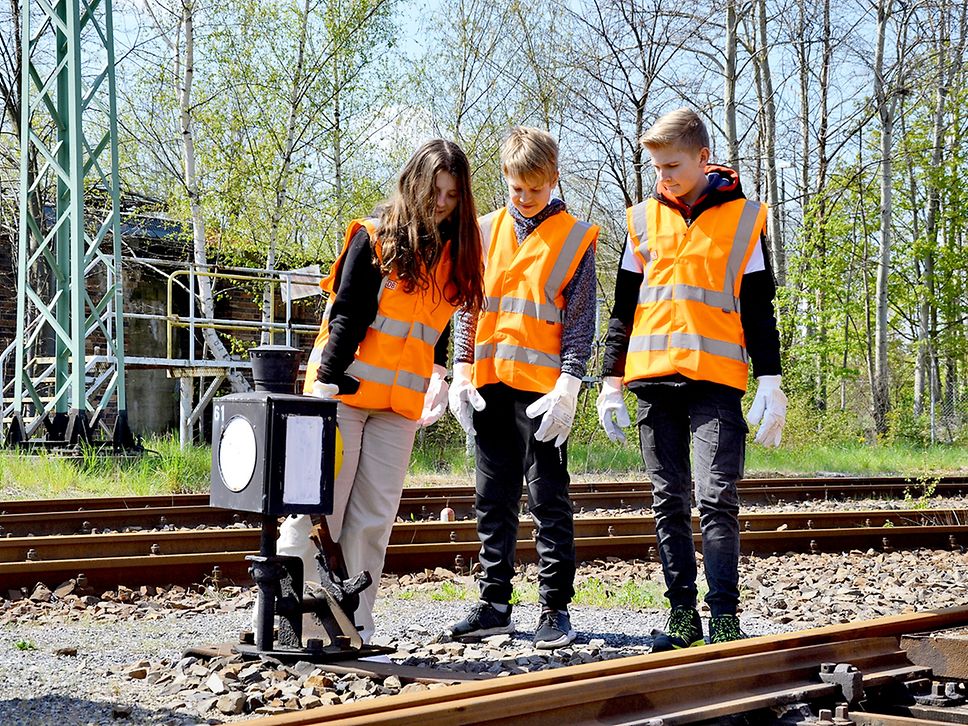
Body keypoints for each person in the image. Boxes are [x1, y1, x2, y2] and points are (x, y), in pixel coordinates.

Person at [276, 139, 485, 643]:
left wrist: (438, 373)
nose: (441, 204)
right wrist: (324, 383)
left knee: (372, 519)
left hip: (397, 406)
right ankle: (294, 624)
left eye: (453, 196)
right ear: (413, 184)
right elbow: (347, 315)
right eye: (434, 192)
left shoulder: (453, 254)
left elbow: (430, 325)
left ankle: (354, 629)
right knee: (316, 514)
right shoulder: (374, 239)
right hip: (342, 395)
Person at [596, 108, 787, 652]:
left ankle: (724, 615)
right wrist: (612, 379)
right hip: (653, 384)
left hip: (716, 384)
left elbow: (757, 310)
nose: (664, 177)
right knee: (667, 500)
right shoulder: (640, 221)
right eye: (656, 167)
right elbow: (623, 309)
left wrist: (771, 380)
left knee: (718, 497)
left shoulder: (745, 220)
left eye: (673, 166)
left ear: (704, 158)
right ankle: (682, 614)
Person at [444, 126, 598, 650]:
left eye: (535, 188)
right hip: (489, 387)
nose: (525, 197)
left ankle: (555, 609)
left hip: (543, 395)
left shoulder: (576, 238)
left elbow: (579, 322)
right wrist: (460, 370)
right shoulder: (483, 231)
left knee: (548, 498)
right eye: (516, 188)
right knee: (492, 498)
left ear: (553, 179)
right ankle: (495, 604)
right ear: (504, 179)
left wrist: (570, 384)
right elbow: (468, 306)